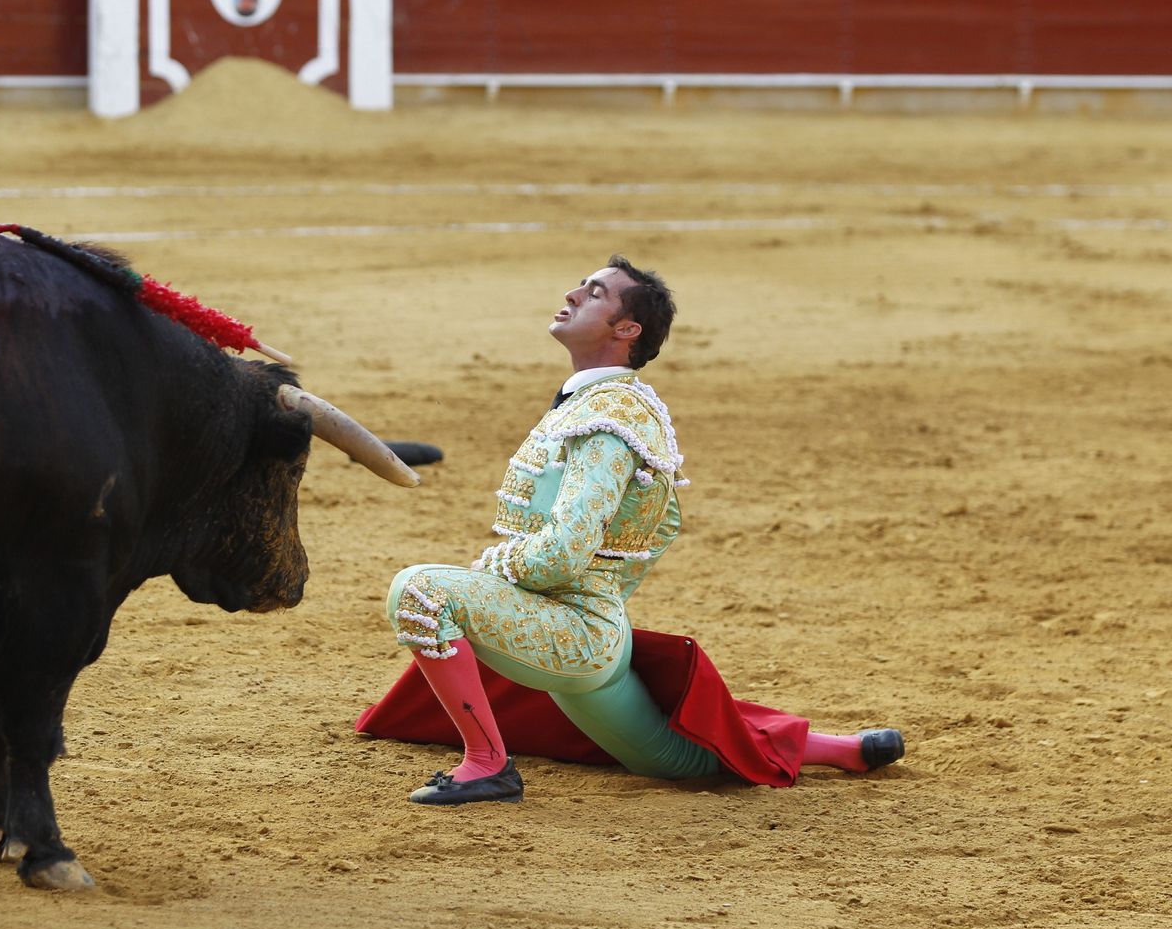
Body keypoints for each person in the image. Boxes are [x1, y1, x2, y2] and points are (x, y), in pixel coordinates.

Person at [378, 255, 904, 805]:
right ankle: (840, 749)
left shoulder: (611, 414)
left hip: (576, 630)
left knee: (422, 590)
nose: (575, 293)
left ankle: (487, 764)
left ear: (628, 330)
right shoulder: (599, 403)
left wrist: (494, 568)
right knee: (672, 759)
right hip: (589, 623)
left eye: (597, 293)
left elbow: (563, 553)